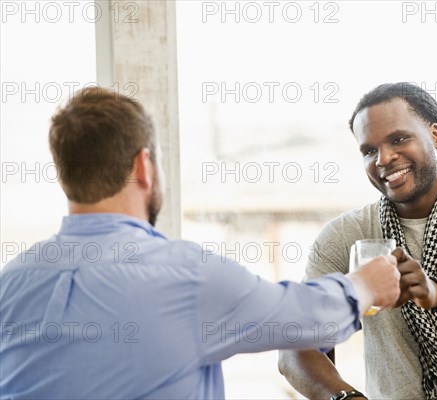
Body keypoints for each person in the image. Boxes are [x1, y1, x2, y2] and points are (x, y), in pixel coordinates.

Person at [0, 87, 403, 399]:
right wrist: (367, 282)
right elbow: (303, 317)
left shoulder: (10, 283)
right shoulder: (184, 276)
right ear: (144, 167)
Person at [278, 82, 437, 400]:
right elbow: (295, 344)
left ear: (435, 135)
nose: (383, 158)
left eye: (398, 139)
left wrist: (434, 290)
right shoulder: (344, 236)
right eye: (369, 150)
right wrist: (349, 398)